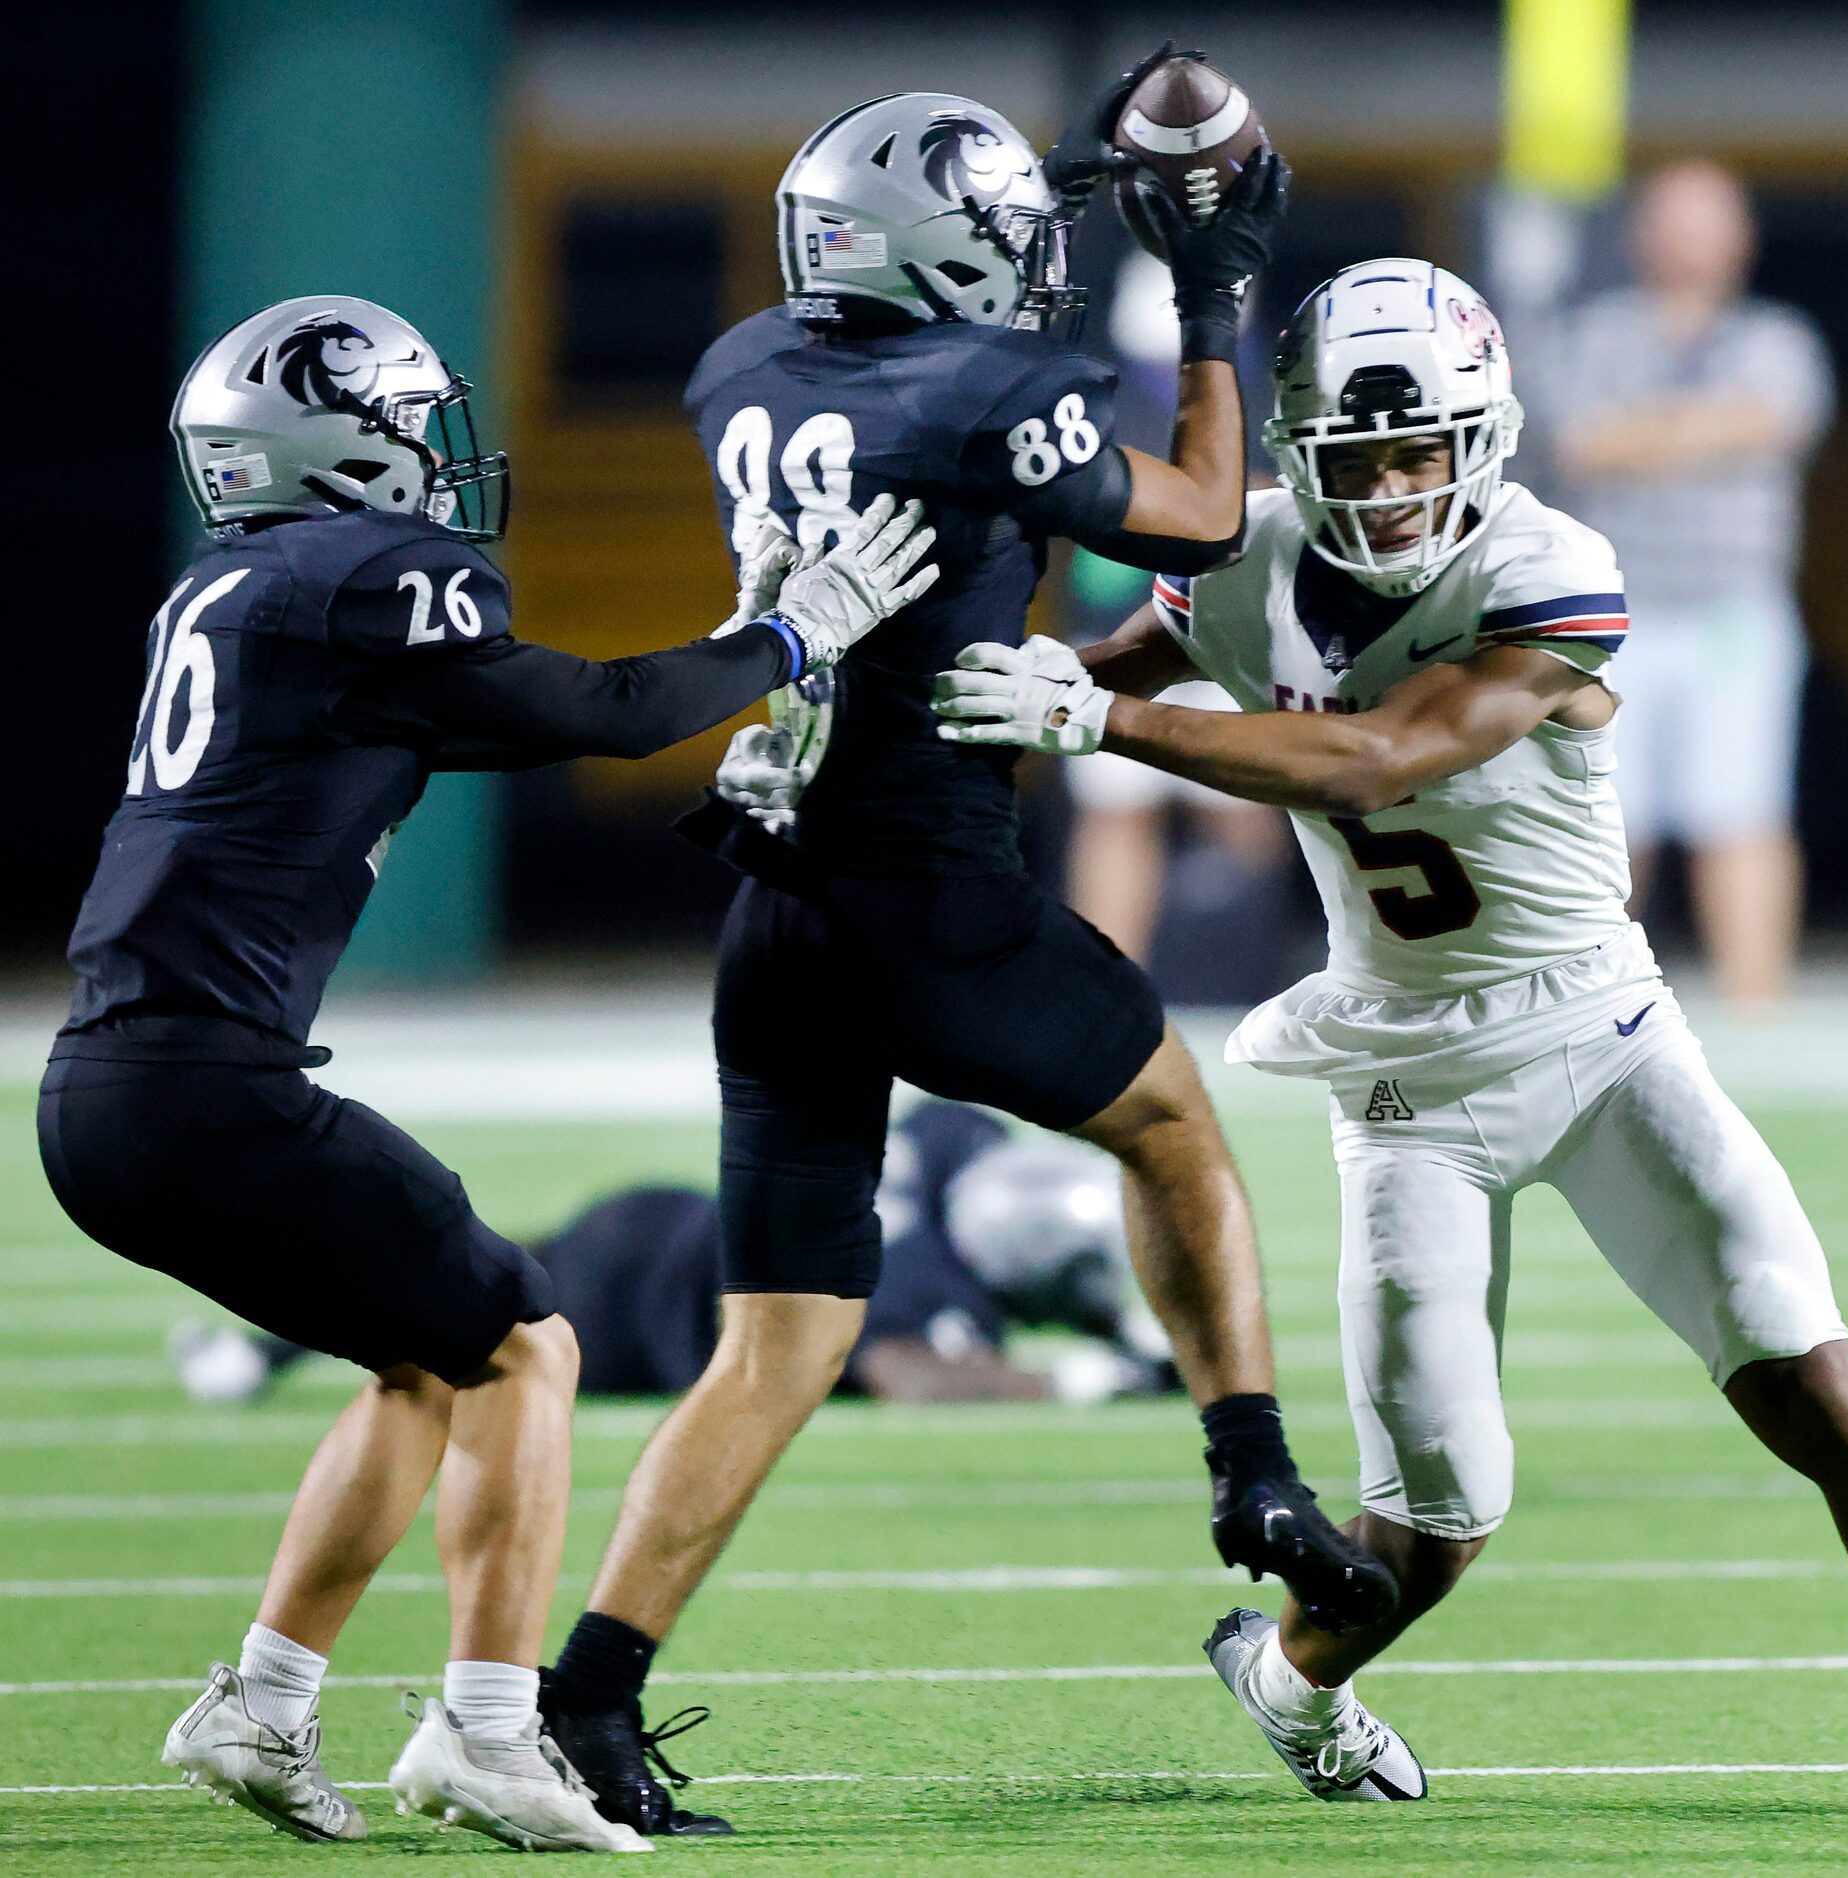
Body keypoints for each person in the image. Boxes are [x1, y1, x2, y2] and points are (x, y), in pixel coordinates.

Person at [933, 258, 1848, 1816]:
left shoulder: (1548, 564)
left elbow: (1379, 756)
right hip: (1404, 1077)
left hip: (1603, 1037)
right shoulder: (1242, 564)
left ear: (1481, 436)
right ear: (1299, 447)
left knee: (1810, 1378)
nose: (1393, 483)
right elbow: (1110, 674)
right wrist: (1012, 690)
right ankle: (1292, 1684)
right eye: (1359, 455)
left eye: (1422, 447)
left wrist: (1100, 722)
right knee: (1437, 1522)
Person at [539, 64, 1393, 1839]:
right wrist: (1214, 287)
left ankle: (590, 1697)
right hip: (931, 891)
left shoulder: (741, 366)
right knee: (1173, 1127)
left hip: (777, 897)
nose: (1028, 268)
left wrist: (1049, 201)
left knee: (775, 1339)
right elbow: (1208, 508)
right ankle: (1253, 1472)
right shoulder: (992, 385)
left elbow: (934, 369)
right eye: (997, 243)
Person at [38, 294, 933, 1852]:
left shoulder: (239, 592)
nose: (434, 460)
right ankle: (489, 1732)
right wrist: (791, 636)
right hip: (202, 1083)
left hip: (113, 1089)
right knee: (527, 1341)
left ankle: (260, 1700)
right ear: (336, 446)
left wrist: (740, 641)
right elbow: (589, 713)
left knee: (428, 1354)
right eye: (403, 424)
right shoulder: (367, 576)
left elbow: (546, 715)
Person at [171, 1100, 1180, 1406]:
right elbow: (906, 1373)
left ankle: (261, 1346)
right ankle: (265, 1346)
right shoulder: (922, 1284)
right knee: (450, 1341)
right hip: (640, 1318)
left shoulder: (957, 1144)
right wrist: (1084, 1377)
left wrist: (1139, 1347)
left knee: (450, 1267)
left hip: (665, 1222)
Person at [1551, 159, 1832, 1008]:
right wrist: (1708, 432)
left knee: (1741, 814)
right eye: (1675, 222)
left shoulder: (1778, 338)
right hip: (1616, 617)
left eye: (1709, 223)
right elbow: (1582, 443)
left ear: (1741, 238)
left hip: (1732, 615)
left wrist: (1647, 436)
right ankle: (1587, 1013)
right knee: (1604, 823)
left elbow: (1775, 419)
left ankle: (1757, 1009)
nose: (1691, 244)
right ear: (1643, 236)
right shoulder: (1596, 334)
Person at [1065, 249, 1293, 965]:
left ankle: (1251, 965)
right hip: (1127, 628)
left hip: (1232, 632)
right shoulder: (1101, 405)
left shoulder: (1264, 393)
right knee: (1118, 810)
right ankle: (1111, 975)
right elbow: (1101, 548)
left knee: (1246, 805)